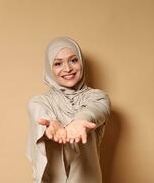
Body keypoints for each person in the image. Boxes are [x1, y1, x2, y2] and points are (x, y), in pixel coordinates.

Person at [26, 37, 111, 183]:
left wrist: (80, 121)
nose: (67, 69)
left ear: (81, 62)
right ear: (49, 68)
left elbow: (95, 110)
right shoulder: (40, 102)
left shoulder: (98, 97)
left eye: (73, 60)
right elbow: (39, 111)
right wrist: (51, 124)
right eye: (58, 63)